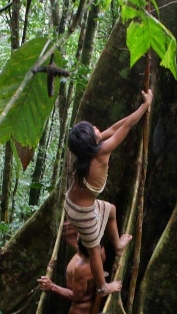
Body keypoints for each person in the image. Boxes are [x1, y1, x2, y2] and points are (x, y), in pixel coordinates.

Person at [64, 90, 152, 296]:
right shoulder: (101, 151)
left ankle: (118, 243)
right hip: (82, 213)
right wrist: (145, 105)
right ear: (92, 141)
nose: (97, 128)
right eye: (93, 129)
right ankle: (103, 287)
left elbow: (114, 127)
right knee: (94, 250)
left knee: (110, 210)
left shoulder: (90, 150)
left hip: (75, 203)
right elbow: (127, 126)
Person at [37, 237, 105, 314]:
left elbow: (77, 296)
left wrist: (52, 286)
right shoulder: (99, 252)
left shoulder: (82, 268)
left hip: (81, 311)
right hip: (92, 305)